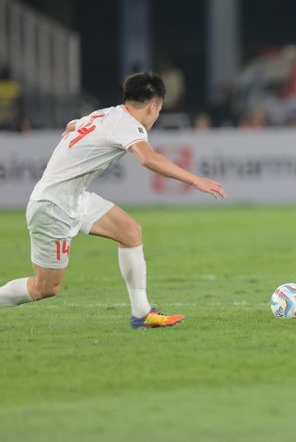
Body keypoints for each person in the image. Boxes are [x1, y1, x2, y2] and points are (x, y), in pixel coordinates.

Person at [0, 72, 226, 328]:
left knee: (130, 232)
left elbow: (72, 125)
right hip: (52, 206)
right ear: (152, 107)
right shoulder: (128, 125)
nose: (157, 116)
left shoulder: (105, 114)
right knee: (45, 287)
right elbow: (148, 158)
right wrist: (195, 180)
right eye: (159, 110)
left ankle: (142, 314)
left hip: (75, 198)